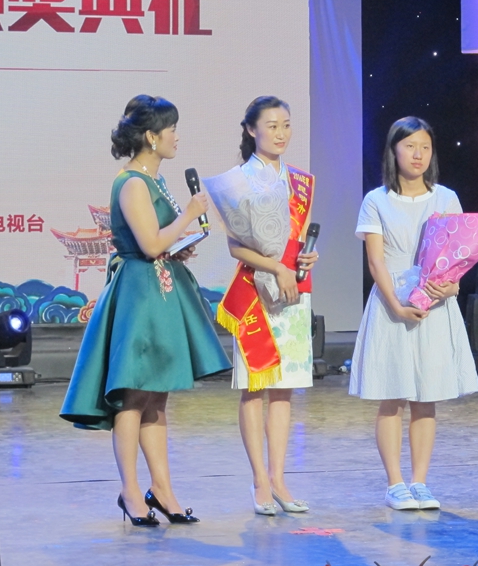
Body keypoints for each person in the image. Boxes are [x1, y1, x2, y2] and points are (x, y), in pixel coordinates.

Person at [60, 95, 232, 525]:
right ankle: (131, 492)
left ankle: (163, 490)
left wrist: (181, 244)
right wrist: (188, 216)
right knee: (134, 396)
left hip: (161, 291)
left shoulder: (154, 181)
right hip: (140, 296)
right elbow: (151, 244)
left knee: (157, 396)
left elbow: (160, 241)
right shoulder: (133, 183)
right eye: (171, 129)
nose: (177, 137)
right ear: (152, 137)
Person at [350, 116, 478, 511]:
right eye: (409, 146)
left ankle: (420, 482)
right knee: (392, 397)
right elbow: (376, 261)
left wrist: (452, 286)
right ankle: (395, 484)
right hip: (392, 307)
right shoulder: (377, 200)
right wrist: (396, 305)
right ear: (394, 151)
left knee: (427, 397)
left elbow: (459, 255)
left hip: (435, 308)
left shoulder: (446, 198)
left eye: (425, 146)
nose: (418, 154)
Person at [217, 96, 318, 516]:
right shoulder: (238, 180)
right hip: (256, 290)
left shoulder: (300, 182)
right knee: (255, 387)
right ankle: (259, 479)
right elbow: (235, 246)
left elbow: (298, 238)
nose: (281, 133)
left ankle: (279, 478)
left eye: (286, 125)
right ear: (251, 129)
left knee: (284, 389)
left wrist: (306, 257)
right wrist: (275, 267)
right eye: (272, 125)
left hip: (292, 290)